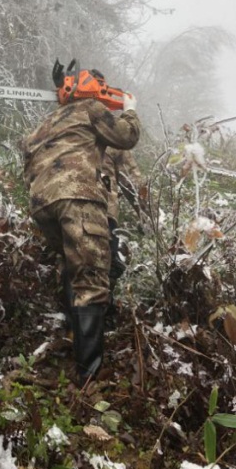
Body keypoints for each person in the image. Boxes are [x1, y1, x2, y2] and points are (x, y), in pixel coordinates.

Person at [23, 62, 140, 385]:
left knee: (72, 267)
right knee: (91, 279)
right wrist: (129, 110)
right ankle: (89, 377)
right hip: (78, 197)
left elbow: (26, 155)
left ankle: (75, 339)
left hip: (42, 204)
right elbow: (127, 136)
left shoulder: (47, 121)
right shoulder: (91, 109)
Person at [102, 147, 145, 301]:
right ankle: (101, 317)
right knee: (104, 269)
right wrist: (147, 216)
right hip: (101, 210)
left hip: (57, 206)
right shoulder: (111, 133)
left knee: (69, 266)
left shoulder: (62, 129)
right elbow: (132, 183)